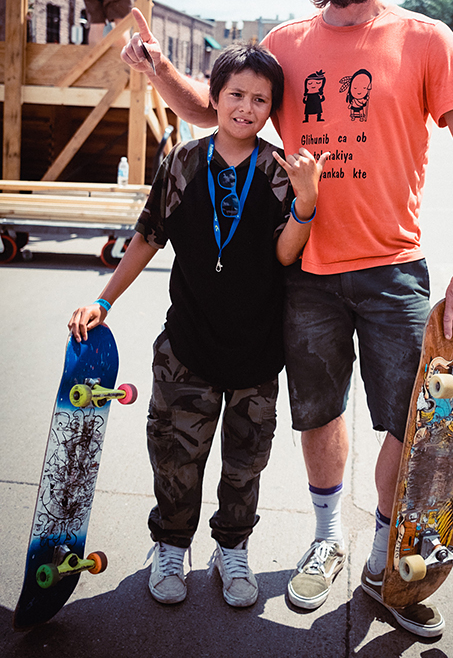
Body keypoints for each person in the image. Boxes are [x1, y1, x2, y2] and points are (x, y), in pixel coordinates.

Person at [120, 0, 453, 637]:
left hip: (393, 269)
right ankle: (328, 538)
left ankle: (387, 557)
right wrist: (158, 66)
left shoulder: (427, 38)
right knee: (319, 414)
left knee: (412, 420)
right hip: (307, 274)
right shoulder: (285, 45)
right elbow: (213, 110)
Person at [68, 35, 329, 609]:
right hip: (186, 349)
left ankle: (232, 549)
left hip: (257, 353)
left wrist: (306, 203)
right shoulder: (183, 162)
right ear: (213, 96)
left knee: (245, 465)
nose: (246, 108)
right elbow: (148, 236)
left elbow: (285, 254)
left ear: (272, 108)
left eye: (260, 100)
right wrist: (104, 302)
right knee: (175, 459)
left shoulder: (278, 171)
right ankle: (170, 546)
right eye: (236, 94)